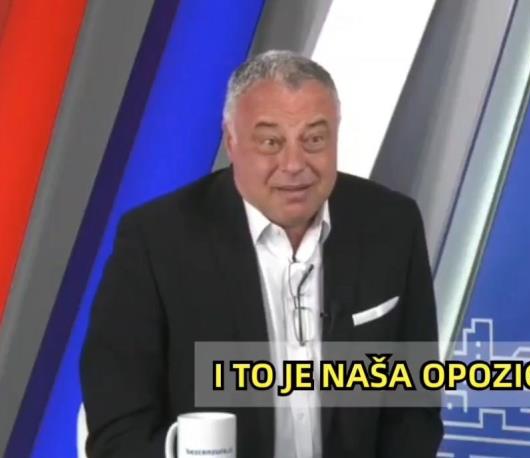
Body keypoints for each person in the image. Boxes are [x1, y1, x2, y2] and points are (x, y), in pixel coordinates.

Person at [80, 50, 442, 458]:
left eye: (314, 140)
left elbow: (414, 404)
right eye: (271, 142)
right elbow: (118, 432)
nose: (294, 164)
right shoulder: (156, 242)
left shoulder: (392, 225)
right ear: (231, 141)